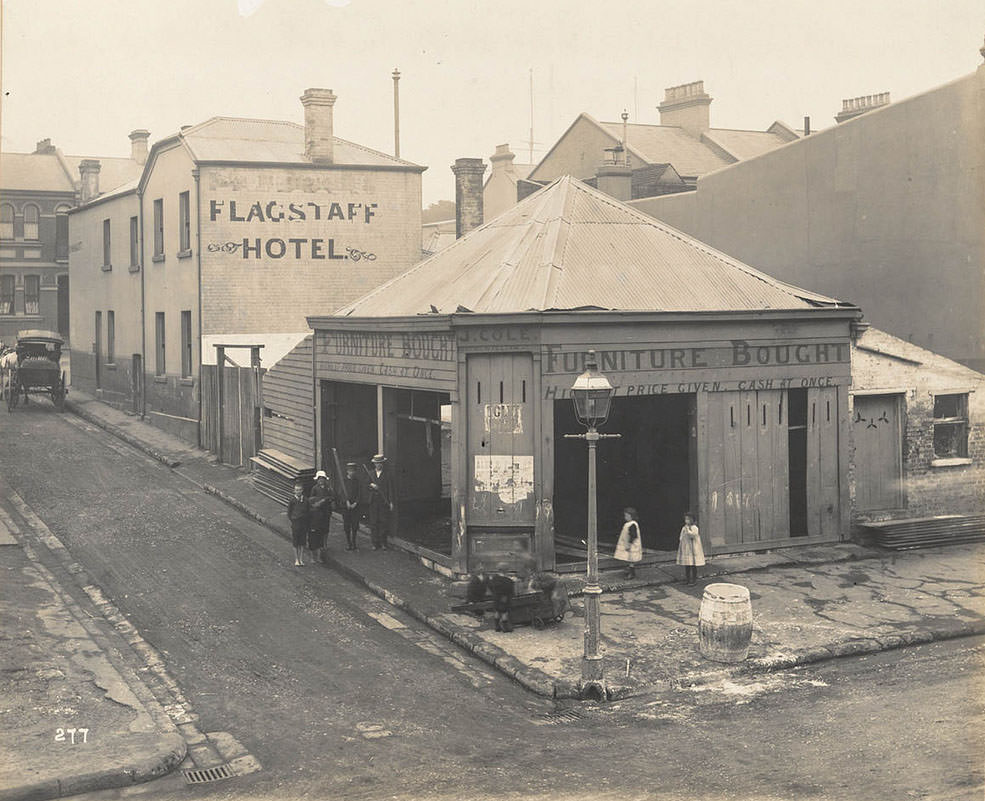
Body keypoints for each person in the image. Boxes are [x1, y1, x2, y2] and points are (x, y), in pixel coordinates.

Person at [366, 454, 394, 551]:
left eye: (380, 463)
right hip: (373, 501)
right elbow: (366, 485)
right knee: (373, 522)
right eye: (377, 463)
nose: (378, 465)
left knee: (383, 521)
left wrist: (390, 502)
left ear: (383, 464)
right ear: (374, 464)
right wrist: (371, 485)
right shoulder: (370, 473)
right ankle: (375, 543)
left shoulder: (387, 474)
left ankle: (383, 543)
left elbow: (390, 489)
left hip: (383, 501)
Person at [307, 470, 333, 563]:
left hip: (326, 511)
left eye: (323, 479)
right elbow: (311, 500)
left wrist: (327, 500)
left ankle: (325, 544)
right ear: (317, 480)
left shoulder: (328, 488)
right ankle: (318, 548)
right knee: (318, 530)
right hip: (317, 512)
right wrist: (318, 503)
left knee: (326, 528)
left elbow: (332, 497)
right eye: (320, 479)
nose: (321, 481)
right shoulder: (315, 488)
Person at [613, 506, 643, 579]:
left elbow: (633, 535)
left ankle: (631, 573)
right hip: (627, 544)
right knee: (628, 558)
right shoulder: (628, 524)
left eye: (626, 515)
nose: (625, 517)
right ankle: (629, 569)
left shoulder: (632, 524)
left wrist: (629, 544)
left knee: (631, 559)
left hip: (631, 545)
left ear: (631, 516)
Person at [676, 512, 705, 585]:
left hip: (693, 548)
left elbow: (693, 536)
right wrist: (681, 541)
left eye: (688, 519)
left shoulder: (695, 528)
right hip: (686, 548)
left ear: (692, 520)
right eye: (686, 519)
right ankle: (688, 579)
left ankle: (694, 580)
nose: (687, 521)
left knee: (693, 565)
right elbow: (681, 535)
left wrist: (688, 530)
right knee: (687, 564)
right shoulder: (684, 527)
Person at [338, 462, 362, 551]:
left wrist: (356, 503)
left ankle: (354, 542)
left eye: (353, 471)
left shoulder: (357, 481)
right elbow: (341, 493)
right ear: (347, 471)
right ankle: (349, 543)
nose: (352, 473)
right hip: (346, 507)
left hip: (355, 506)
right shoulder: (343, 481)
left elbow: (360, 493)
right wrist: (346, 502)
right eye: (350, 471)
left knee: (355, 525)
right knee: (347, 525)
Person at [287, 483, 310, 567]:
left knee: (302, 542)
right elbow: (289, 513)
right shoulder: (292, 501)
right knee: (296, 542)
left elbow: (308, 511)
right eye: (296, 490)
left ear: (302, 490)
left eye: (299, 490)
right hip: (296, 524)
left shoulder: (306, 500)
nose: (298, 491)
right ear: (294, 491)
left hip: (303, 524)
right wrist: (293, 520)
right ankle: (296, 559)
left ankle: (301, 559)